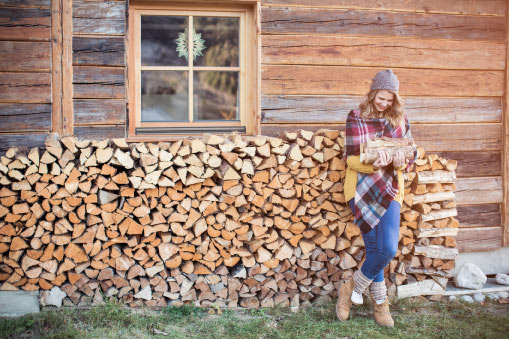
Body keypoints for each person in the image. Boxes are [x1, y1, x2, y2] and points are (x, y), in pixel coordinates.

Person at [336, 69, 415, 327]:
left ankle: (350, 288)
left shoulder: (400, 120)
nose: (384, 104)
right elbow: (350, 158)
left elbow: (409, 155)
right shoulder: (356, 117)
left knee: (388, 248)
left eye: (389, 100)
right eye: (381, 98)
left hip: (390, 188)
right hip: (360, 188)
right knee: (374, 250)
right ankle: (381, 306)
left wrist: (401, 162)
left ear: (395, 99)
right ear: (373, 94)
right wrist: (374, 165)